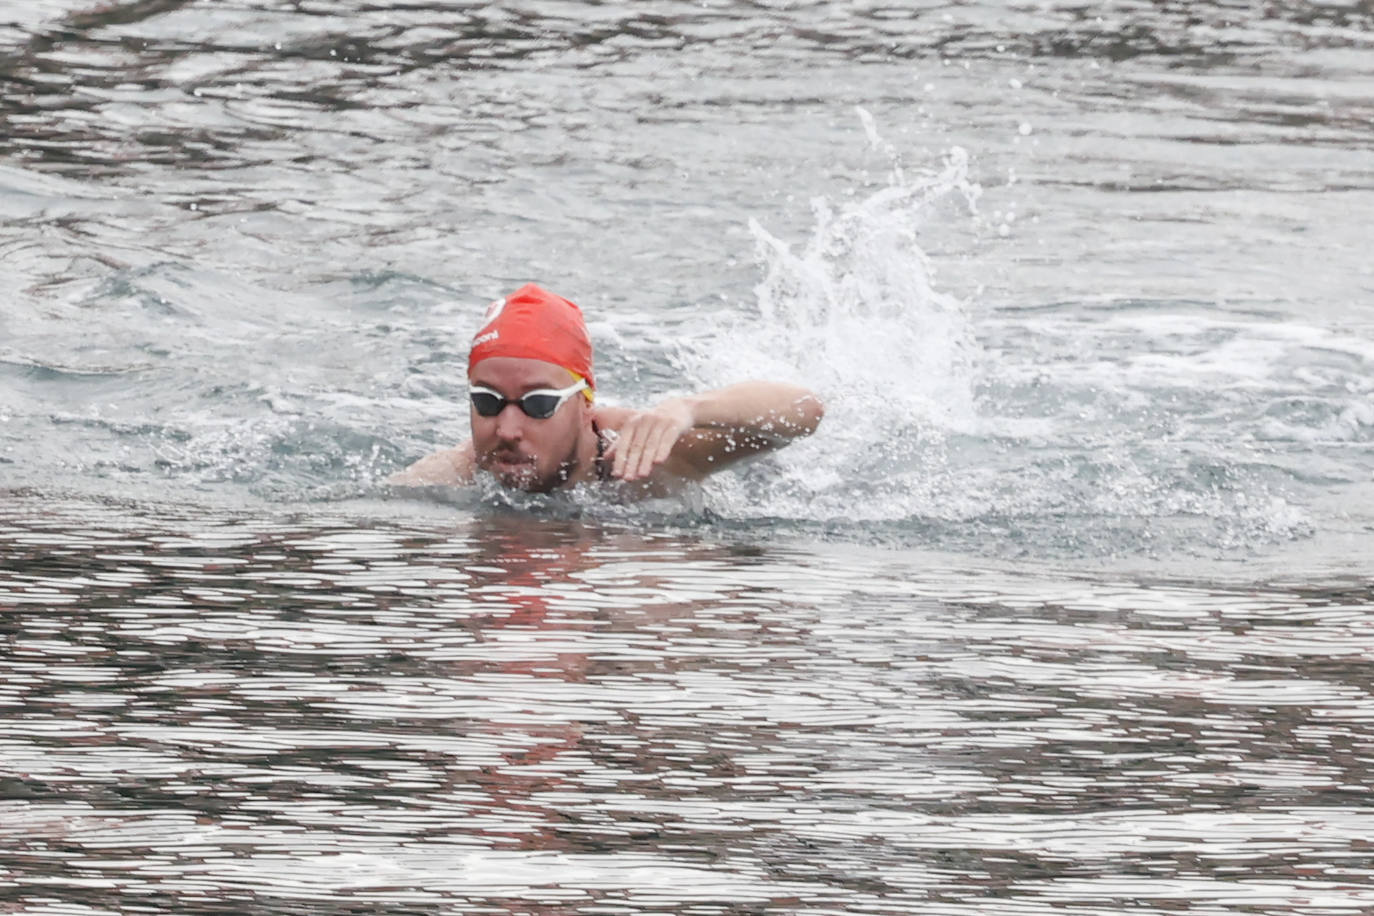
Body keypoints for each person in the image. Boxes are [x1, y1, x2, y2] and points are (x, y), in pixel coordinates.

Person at [388, 283, 823, 495]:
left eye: (538, 403)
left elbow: (805, 410)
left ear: (584, 404)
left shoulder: (640, 456)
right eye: (487, 401)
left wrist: (688, 409)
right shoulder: (450, 478)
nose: (507, 428)